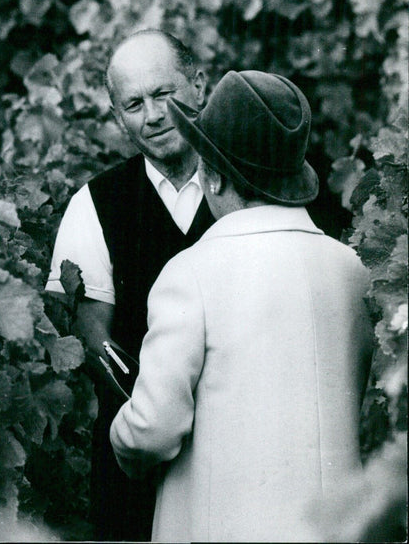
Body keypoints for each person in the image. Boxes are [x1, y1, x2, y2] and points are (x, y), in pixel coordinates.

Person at [110, 70, 373, 542]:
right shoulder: (353, 269)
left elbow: (153, 428)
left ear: (212, 177)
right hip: (342, 530)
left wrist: (119, 436)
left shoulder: (191, 274)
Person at [45, 30, 215, 541]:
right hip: (135, 467)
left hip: (240, 452)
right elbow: (89, 335)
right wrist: (158, 416)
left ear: (199, 86)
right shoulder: (94, 204)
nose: (154, 115)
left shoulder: (248, 182)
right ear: (118, 117)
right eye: (134, 104)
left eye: (165, 95)